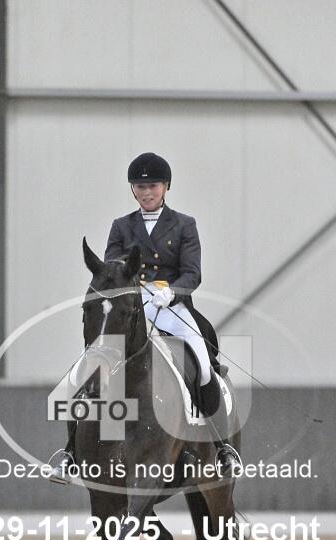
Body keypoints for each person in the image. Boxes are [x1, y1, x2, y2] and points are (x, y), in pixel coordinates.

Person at [49, 152, 241, 482]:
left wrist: (172, 292)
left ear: (166, 187)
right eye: (140, 187)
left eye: (153, 186)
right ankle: (70, 452)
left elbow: (192, 273)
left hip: (172, 307)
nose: (146, 192)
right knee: (86, 367)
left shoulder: (184, 225)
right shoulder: (122, 226)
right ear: (133, 190)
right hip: (131, 307)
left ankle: (222, 448)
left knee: (202, 365)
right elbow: (111, 271)